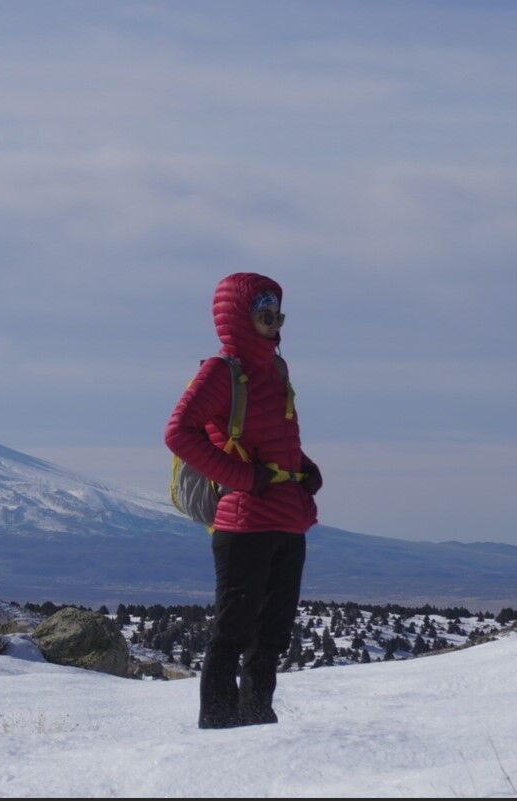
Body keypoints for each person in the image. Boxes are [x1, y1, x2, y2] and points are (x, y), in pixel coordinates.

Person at [163, 272, 322, 729]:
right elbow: (178, 433)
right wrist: (243, 479)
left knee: (272, 634)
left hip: (288, 521)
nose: (275, 325)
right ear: (239, 318)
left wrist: (303, 467)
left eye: (278, 315)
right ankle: (217, 723)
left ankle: (256, 721)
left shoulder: (275, 370)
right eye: (264, 315)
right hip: (244, 523)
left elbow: (272, 435)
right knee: (233, 632)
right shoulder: (219, 373)